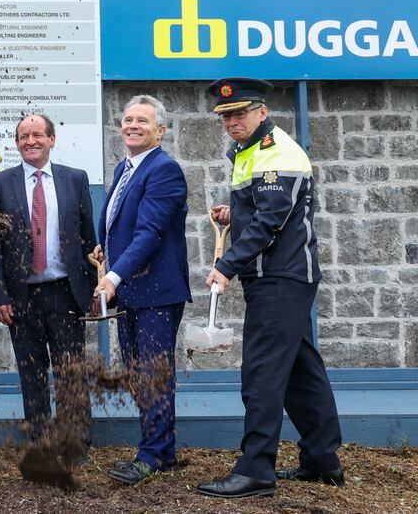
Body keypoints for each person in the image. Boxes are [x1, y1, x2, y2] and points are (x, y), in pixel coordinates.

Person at [197, 77, 342, 499]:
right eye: (225, 116)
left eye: (239, 113)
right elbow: (265, 210)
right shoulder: (253, 152)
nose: (231, 122)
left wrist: (225, 267)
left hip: (279, 278)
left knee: (260, 373)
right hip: (283, 276)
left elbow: (269, 222)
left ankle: (257, 469)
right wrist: (234, 215)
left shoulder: (277, 152)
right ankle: (322, 460)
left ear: (262, 111)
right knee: (301, 372)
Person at [91, 95, 191, 485]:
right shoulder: (125, 167)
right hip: (134, 289)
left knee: (152, 374)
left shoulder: (164, 170)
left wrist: (113, 277)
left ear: (160, 131)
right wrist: (107, 249)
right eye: (128, 119)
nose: (132, 125)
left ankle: (150, 456)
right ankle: (161, 450)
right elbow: (123, 225)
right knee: (140, 373)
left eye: (142, 121)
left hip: (157, 292)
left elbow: (150, 233)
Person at [0, 114, 97, 441]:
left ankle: (76, 441)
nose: (30, 141)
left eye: (37, 135)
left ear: (51, 139)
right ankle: (41, 443)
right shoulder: (0, 183)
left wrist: (91, 288)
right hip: (21, 298)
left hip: (66, 292)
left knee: (70, 371)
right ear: (17, 144)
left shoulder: (75, 179)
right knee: (31, 373)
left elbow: (88, 237)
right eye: (23, 137)